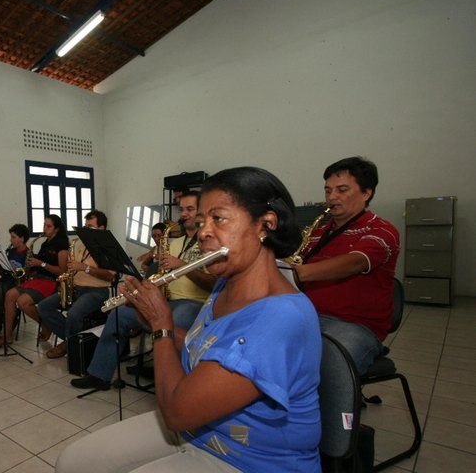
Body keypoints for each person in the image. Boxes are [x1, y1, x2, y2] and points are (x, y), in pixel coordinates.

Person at [56, 167, 322, 472]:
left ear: (266, 224)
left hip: (249, 459)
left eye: (218, 218)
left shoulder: (281, 316)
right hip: (199, 431)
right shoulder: (225, 284)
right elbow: (204, 347)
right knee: (73, 462)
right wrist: (150, 316)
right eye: (201, 221)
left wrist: (162, 326)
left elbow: (176, 413)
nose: (204, 232)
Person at [70, 192, 215, 390]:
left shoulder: (210, 242)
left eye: (190, 209)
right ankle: (99, 375)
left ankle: (174, 386)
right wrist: (141, 292)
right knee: (119, 313)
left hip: (195, 303)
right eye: (182, 209)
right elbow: (161, 276)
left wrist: (181, 265)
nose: (184, 214)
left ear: (202, 211)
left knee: (176, 319)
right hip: (168, 300)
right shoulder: (175, 243)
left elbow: (213, 284)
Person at [292, 156, 400, 375]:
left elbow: (355, 262)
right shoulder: (316, 233)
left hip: (356, 325)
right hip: (309, 317)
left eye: (342, 190)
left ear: (366, 193)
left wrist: (297, 273)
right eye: (328, 190)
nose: (332, 197)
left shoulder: (382, 230)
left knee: (328, 365)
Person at [38, 210, 115, 359]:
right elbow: (74, 267)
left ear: (101, 228)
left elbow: (109, 276)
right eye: (85, 226)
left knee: (73, 314)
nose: (85, 230)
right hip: (75, 288)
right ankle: (73, 340)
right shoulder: (82, 246)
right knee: (43, 307)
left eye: (90, 226)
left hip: (96, 292)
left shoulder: (108, 248)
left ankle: (68, 344)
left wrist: (85, 268)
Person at [0, 215, 69, 346]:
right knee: (9, 295)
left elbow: (62, 271)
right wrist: (31, 267)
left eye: (48, 226)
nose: (45, 228)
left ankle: (45, 325)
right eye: (44, 225)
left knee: (22, 302)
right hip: (38, 279)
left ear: (56, 229)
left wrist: (41, 264)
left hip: (51, 282)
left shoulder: (62, 245)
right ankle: (7, 335)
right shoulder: (45, 243)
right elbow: (40, 265)